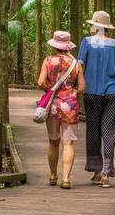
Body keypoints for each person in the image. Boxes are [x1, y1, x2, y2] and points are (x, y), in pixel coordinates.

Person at [77, 10, 115, 187]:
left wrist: (78, 88)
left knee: (93, 130)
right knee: (109, 132)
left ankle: (97, 171)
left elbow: (80, 67)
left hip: (91, 93)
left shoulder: (86, 43)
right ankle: (106, 173)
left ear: (96, 26)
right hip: (112, 94)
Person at [36, 30, 85, 189]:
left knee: (53, 141)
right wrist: (71, 93)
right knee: (68, 142)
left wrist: (50, 90)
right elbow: (82, 87)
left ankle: (52, 175)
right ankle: (65, 179)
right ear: (68, 46)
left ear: (55, 45)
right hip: (70, 105)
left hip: (53, 105)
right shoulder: (76, 63)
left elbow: (40, 82)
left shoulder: (48, 60)